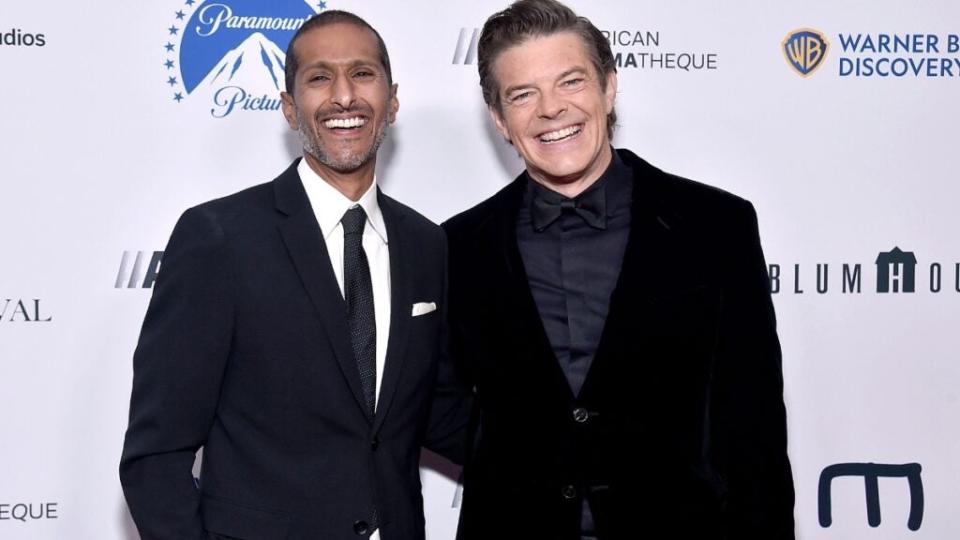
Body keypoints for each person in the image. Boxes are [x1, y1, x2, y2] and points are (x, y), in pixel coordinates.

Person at [442, 1, 795, 538]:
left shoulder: (715, 225)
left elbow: (755, 424)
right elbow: (436, 403)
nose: (550, 109)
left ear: (608, 88)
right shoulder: (458, 245)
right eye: (522, 94)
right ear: (499, 120)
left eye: (570, 82)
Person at [120, 11, 467, 540]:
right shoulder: (219, 238)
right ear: (289, 107)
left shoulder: (426, 243)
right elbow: (156, 454)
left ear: (392, 101)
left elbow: (433, 410)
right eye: (319, 77)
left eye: (363, 74)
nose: (344, 96)